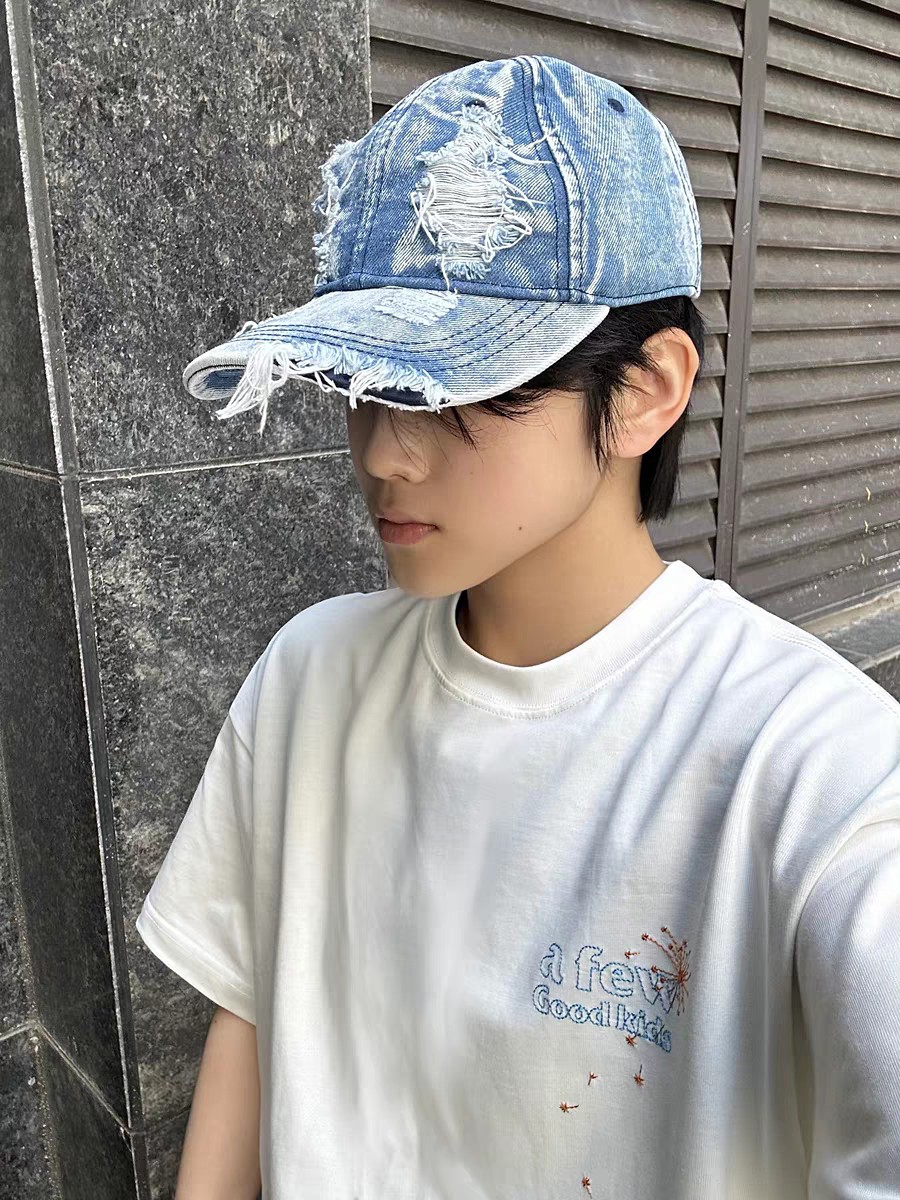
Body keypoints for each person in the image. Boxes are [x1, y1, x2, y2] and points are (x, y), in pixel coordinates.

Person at [136, 54, 900, 1200]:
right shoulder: (311, 676)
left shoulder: (815, 773)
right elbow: (253, 1007)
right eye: (363, 384)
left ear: (644, 390)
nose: (386, 452)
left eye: (458, 387)